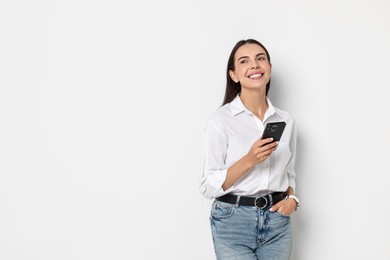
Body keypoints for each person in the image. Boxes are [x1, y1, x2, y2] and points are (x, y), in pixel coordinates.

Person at [200, 39, 299, 260]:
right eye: (244, 61)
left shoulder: (287, 120)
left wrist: (293, 200)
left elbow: (289, 172)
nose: (254, 65)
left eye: (260, 58)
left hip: (277, 222)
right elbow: (207, 186)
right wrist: (249, 160)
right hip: (232, 222)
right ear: (234, 75)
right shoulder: (220, 121)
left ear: (269, 69)